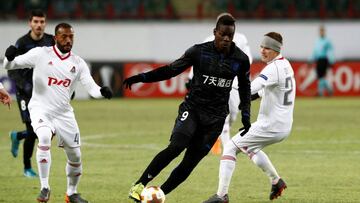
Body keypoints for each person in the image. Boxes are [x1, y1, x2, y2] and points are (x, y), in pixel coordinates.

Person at [123, 13, 251, 202]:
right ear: (215, 32)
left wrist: (246, 115)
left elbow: (245, 87)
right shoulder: (198, 52)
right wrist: (142, 77)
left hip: (215, 119)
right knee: (177, 146)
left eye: (230, 36)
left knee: (189, 163)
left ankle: (158, 195)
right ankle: (139, 184)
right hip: (193, 110)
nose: (226, 39)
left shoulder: (240, 59)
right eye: (222, 34)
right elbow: (171, 69)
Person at [4, 22, 113, 203]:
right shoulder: (41, 54)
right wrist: (8, 57)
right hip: (40, 108)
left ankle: (71, 193)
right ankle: (44, 187)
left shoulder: (78, 63)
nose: (68, 40)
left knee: (76, 156)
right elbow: (11, 65)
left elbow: (92, 87)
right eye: (64, 36)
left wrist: (102, 92)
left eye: (71, 36)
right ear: (55, 38)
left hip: (64, 113)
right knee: (44, 137)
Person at [203, 32, 295, 203]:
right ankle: (276, 181)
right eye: (262, 46)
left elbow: (251, 87)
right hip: (282, 124)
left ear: (276, 50)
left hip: (271, 125)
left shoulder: (273, 69)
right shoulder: (285, 65)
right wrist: (253, 97)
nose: (263, 50)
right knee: (249, 147)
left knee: (230, 147)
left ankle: (221, 196)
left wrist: (227, 86)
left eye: (267, 48)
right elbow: (267, 89)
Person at [187, 12, 253, 155]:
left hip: (233, 83)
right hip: (214, 84)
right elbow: (198, 62)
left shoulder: (241, 39)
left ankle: (215, 135)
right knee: (223, 114)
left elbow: (248, 58)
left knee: (233, 114)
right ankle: (226, 148)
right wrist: (190, 78)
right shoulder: (209, 40)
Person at [7, 10, 55, 178]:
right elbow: (12, 68)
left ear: (45, 23)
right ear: (30, 23)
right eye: (36, 21)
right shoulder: (22, 43)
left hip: (45, 92)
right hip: (25, 93)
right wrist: (24, 85)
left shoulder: (51, 41)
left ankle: (17, 136)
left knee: (46, 129)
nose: (39, 25)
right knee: (32, 129)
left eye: (42, 21)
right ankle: (27, 167)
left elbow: (59, 63)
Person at [309, 25, 335, 96]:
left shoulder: (327, 41)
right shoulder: (317, 40)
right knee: (320, 77)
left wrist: (332, 60)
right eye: (320, 31)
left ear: (324, 32)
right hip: (318, 60)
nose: (321, 32)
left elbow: (331, 51)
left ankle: (320, 93)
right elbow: (315, 51)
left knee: (321, 76)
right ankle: (329, 89)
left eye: (322, 31)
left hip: (324, 60)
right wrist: (311, 59)